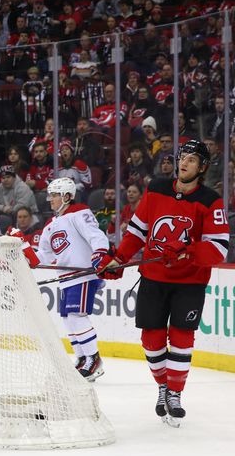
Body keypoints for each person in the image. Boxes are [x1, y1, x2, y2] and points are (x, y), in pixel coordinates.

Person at [96, 140, 229, 426]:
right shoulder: (156, 188)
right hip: (154, 278)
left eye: (192, 160)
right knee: (152, 341)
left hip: (189, 282)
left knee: (182, 338)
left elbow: (218, 249)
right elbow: (136, 231)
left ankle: (175, 394)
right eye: (183, 157)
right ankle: (163, 388)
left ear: (202, 167)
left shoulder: (210, 201)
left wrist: (187, 251)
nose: (185, 163)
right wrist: (119, 259)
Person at [17, 177, 108, 381]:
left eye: (55, 195)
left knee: (77, 315)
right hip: (66, 278)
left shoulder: (80, 212)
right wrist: (22, 246)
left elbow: (97, 236)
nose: (50, 199)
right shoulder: (51, 224)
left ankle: (94, 360)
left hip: (83, 274)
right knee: (68, 318)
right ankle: (82, 358)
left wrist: (100, 254)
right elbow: (43, 257)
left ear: (67, 196)